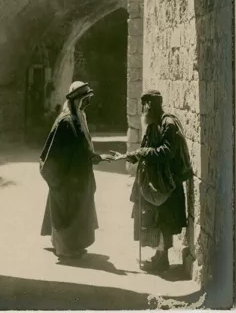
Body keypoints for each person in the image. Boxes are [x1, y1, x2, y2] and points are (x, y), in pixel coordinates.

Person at [115, 90, 192, 273]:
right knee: (156, 219)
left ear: (153, 105)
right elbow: (147, 147)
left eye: (146, 106)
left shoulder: (168, 124)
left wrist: (142, 153)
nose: (144, 110)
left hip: (167, 182)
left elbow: (166, 151)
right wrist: (133, 155)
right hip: (157, 181)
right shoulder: (154, 124)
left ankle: (162, 260)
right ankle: (158, 256)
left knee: (164, 220)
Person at [39, 81, 113, 259]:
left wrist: (95, 157)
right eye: (85, 100)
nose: (87, 104)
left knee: (78, 211)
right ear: (76, 100)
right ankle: (65, 248)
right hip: (67, 176)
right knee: (67, 211)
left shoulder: (80, 118)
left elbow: (83, 147)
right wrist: (59, 178)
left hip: (79, 176)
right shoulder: (65, 121)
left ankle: (74, 245)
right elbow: (55, 152)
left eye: (88, 100)